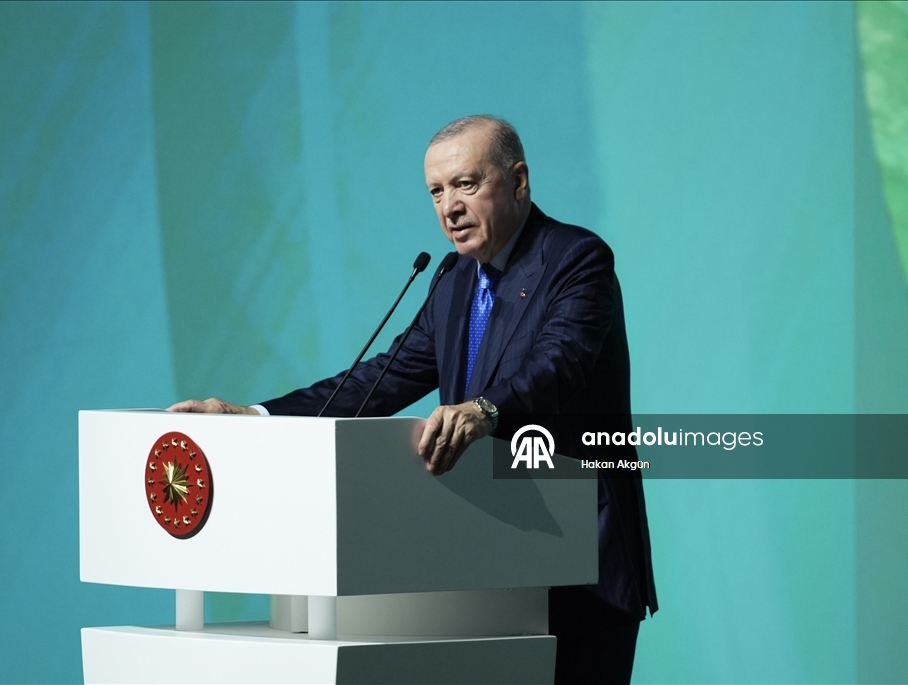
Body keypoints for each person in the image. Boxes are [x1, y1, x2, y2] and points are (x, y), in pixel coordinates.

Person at [169, 115, 657, 684]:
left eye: (466, 184)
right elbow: (383, 378)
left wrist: (484, 411)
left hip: (577, 560)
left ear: (518, 181)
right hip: (483, 566)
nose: (450, 207)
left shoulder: (575, 258)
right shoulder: (452, 280)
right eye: (436, 192)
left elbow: (558, 363)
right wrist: (258, 416)